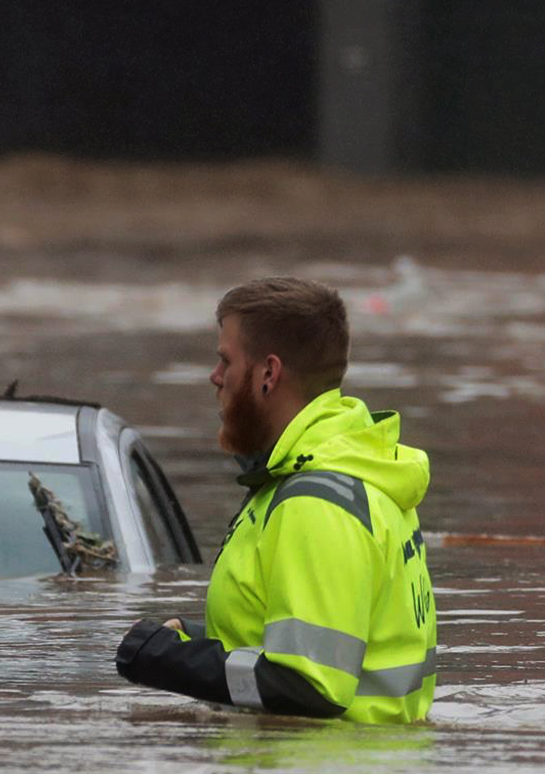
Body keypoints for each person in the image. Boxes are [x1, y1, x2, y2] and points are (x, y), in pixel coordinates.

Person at [114, 277, 436, 723]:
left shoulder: (314, 502)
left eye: (226, 361)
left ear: (268, 374)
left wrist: (169, 662)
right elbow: (325, 639)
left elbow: (309, 686)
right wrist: (198, 640)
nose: (215, 377)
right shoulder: (345, 477)